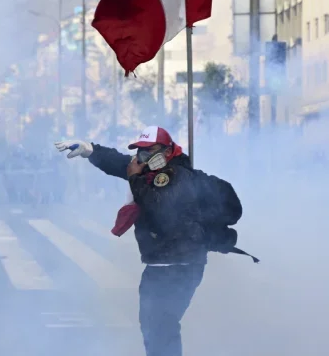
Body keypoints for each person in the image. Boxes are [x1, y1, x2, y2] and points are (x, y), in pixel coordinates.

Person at [55, 126, 255, 356]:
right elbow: (121, 162)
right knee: (157, 326)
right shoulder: (150, 171)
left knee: (160, 327)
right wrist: (91, 150)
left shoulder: (173, 176)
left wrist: (133, 177)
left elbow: (158, 207)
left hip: (176, 265)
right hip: (169, 263)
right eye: (140, 151)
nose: (143, 157)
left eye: (149, 151)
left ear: (166, 151)